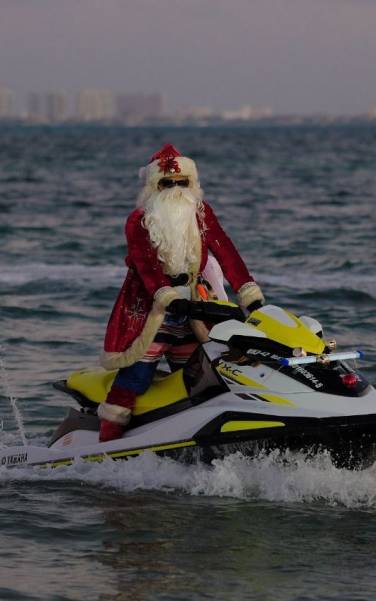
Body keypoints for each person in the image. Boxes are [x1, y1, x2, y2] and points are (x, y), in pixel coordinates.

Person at [97, 144, 264, 442]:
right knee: (136, 377)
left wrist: (247, 291)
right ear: (154, 186)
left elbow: (226, 251)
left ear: (192, 184)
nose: (175, 188)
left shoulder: (201, 213)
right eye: (167, 183)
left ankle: (191, 436)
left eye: (181, 182)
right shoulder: (139, 221)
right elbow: (146, 266)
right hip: (150, 312)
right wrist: (165, 296)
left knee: (199, 375)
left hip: (194, 308)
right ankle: (107, 441)